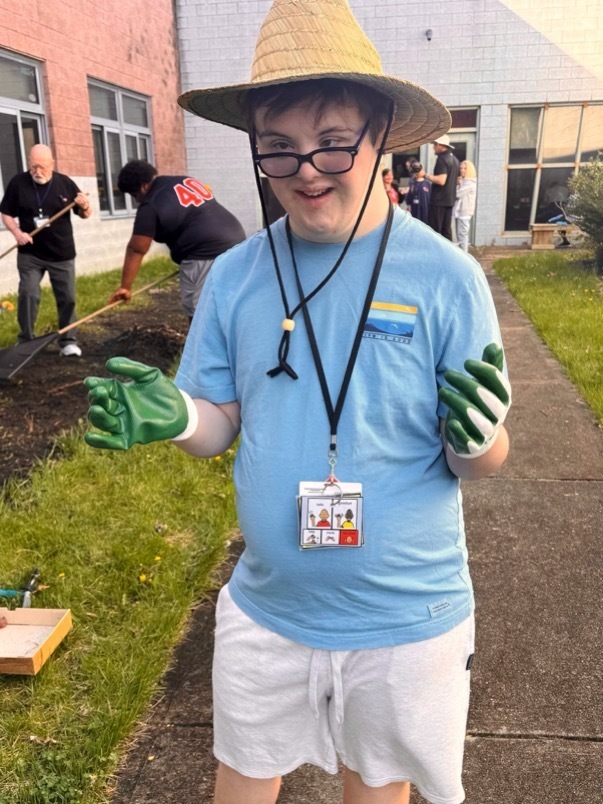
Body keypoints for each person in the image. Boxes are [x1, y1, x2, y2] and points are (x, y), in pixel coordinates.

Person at [84, 1, 511, 802]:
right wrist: (176, 417)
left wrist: (477, 435)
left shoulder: (447, 278)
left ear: (380, 132)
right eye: (278, 150)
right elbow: (218, 427)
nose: (305, 168)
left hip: (405, 621)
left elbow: (481, 460)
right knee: (240, 782)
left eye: (331, 142)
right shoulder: (238, 276)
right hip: (267, 610)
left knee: (374, 788)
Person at [111, 160, 245, 322]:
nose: (137, 201)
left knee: (199, 315)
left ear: (144, 186)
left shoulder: (150, 204)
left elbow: (137, 249)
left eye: (134, 195)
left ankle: (203, 348)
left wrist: (125, 287)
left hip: (203, 252)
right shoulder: (183, 181)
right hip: (237, 242)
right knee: (230, 303)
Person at [0, 144, 91, 356]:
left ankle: (68, 341)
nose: (37, 172)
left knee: (67, 297)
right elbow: (5, 213)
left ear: (52, 164)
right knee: (28, 294)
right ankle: (26, 340)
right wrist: (17, 232)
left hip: (62, 254)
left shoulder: (65, 184)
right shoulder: (18, 183)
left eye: (41, 167)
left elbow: (85, 214)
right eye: (33, 167)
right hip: (30, 254)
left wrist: (85, 205)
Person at [422, 135, 460, 240]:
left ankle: (434, 255)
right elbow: (458, 180)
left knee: (435, 232)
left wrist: (425, 175)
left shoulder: (442, 159)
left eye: (434, 144)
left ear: (440, 145)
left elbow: (441, 180)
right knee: (446, 231)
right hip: (449, 201)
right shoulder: (455, 160)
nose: (433, 147)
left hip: (439, 201)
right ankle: (449, 254)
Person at [453, 160, 477, 252]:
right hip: (460, 211)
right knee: (460, 235)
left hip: (465, 212)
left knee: (462, 234)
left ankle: (464, 255)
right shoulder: (463, 181)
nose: (462, 170)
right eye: (461, 168)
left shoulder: (470, 182)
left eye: (465, 168)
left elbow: (458, 194)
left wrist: (456, 185)